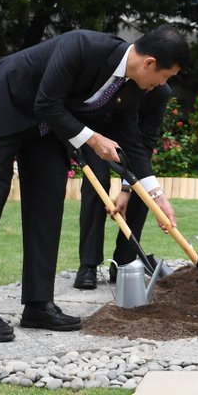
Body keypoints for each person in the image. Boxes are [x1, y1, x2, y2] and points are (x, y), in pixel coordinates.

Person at [0, 25, 188, 342]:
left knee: (47, 210)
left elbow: (132, 144)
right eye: (165, 76)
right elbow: (46, 102)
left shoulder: (133, 86)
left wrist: (156, 194)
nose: (162, 85)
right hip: (7, 106)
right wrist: (93, 140)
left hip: (47, 129)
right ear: (149, 63)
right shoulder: (82, 46)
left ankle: (38, 305)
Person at [73, 82, 173, 290]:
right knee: (97, 183)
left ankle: (124, 263)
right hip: (97, 137)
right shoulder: (120, 80)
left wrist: (127, 189)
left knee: (142, 190)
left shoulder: (161, 93)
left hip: (132, 144)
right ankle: (88, 265)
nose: (158, 83)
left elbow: (145, 143)